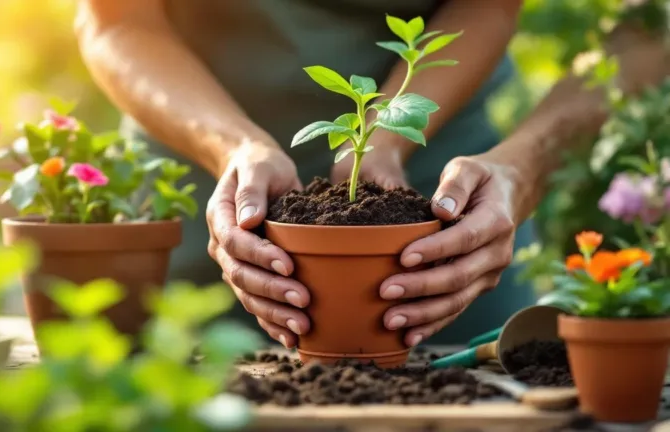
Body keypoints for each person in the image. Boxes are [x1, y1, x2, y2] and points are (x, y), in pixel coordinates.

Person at [75, 0, 669, 347]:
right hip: (201, 185)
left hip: (441, 207)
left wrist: (387, 142)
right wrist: (234, 147)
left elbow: (493, 4)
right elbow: (117, 21)